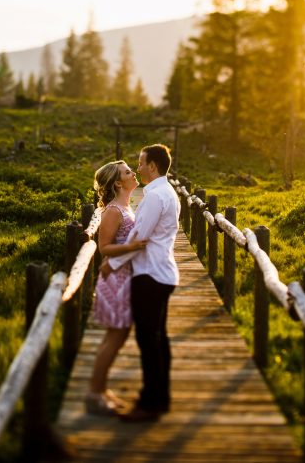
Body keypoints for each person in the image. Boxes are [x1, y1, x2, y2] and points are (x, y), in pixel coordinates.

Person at [106, 144, 180, 421]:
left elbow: (138, 239)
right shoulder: (167, 192)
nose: (137, 168)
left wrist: (110, 263)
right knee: (158, 339)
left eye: (140, 163)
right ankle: (160, 398)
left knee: (148, 340)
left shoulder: (155, 196)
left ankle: (150, 404)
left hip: (150, 274)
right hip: (163, 271)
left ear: (153, 166)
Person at [85, 160, 148, 416]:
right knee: (113, 337)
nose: (133, 173)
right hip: (116, 280)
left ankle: (100, 389)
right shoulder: (113, 210)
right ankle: (93, 392)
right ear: (118, 183)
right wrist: (133, 247)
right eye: (127, 172)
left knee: (118, 336)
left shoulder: (125, 206)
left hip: (126, 277)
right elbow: (104, 248)